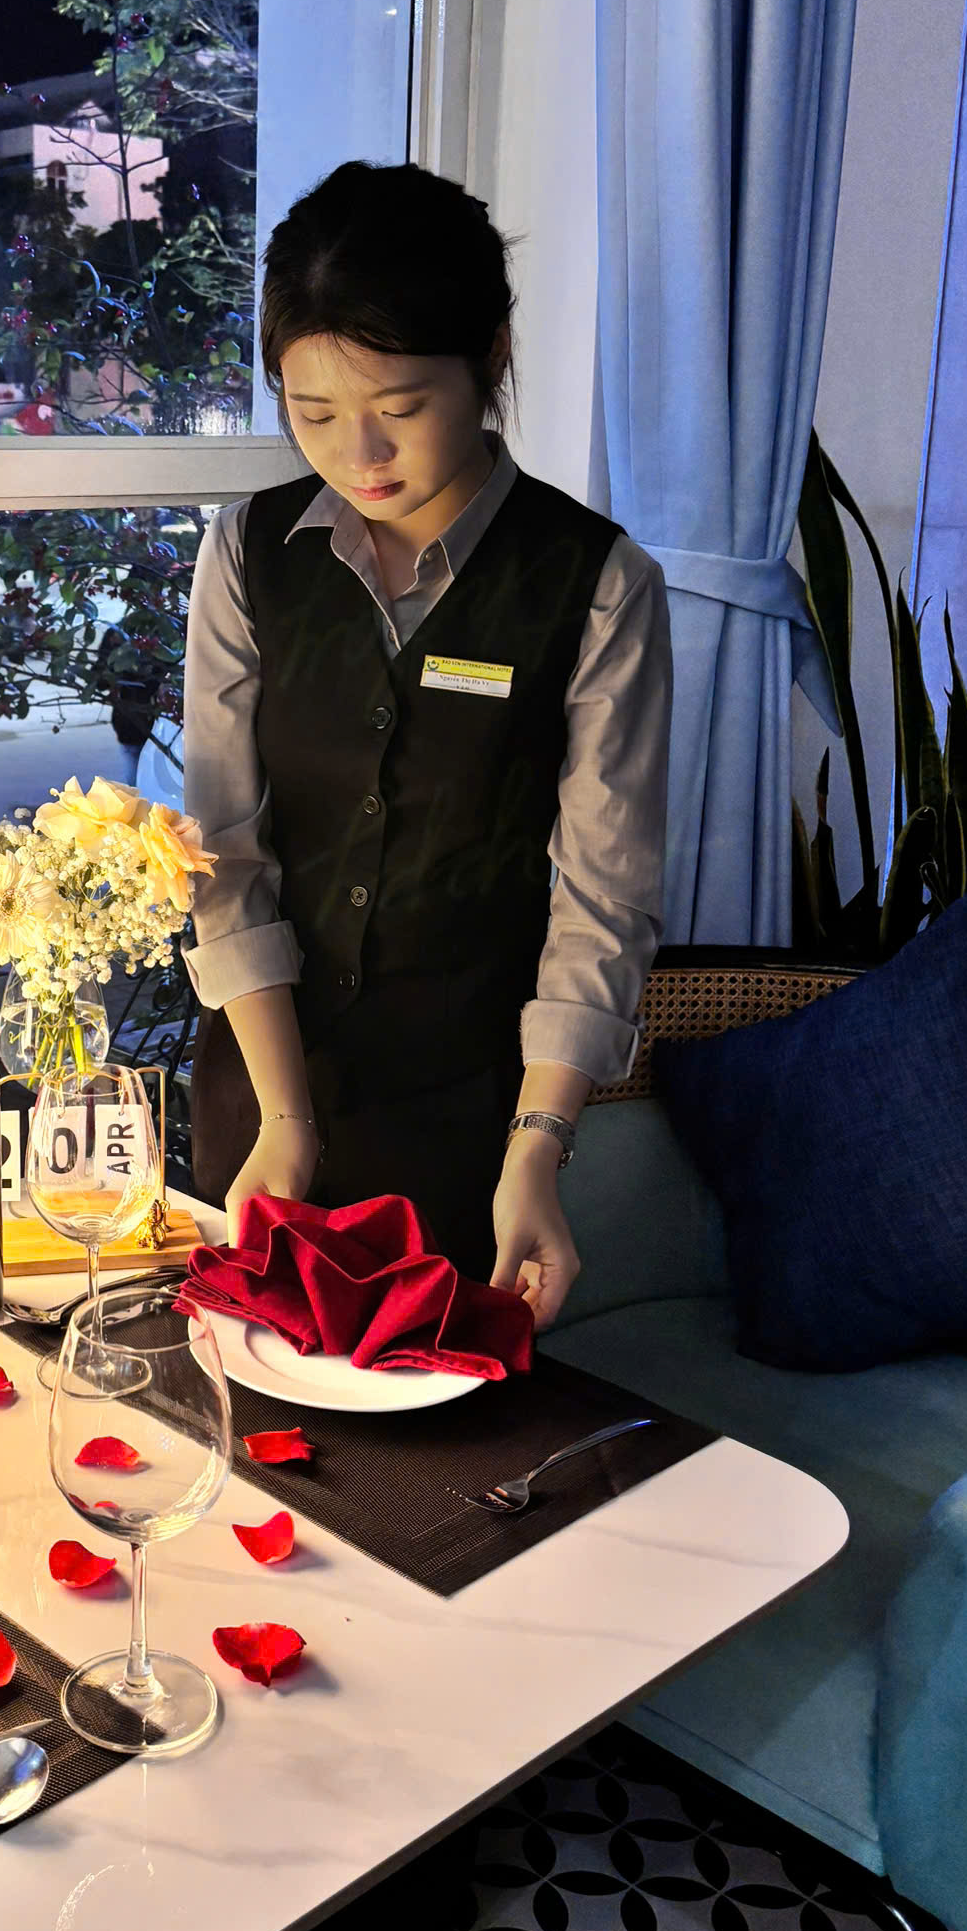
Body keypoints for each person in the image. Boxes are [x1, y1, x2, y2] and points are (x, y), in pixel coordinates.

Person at [182, 161, 671, 1328]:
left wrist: (538, 1149)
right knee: (233, 1410)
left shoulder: (597, 584)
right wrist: (286, 1120)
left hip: (468, 1126)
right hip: (258, 1096)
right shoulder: (248, 555)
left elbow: (602, 899)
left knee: (444, 1427)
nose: (359, 453)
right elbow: (225, 853)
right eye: (312, 414)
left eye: (399, 408)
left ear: (491, 354)